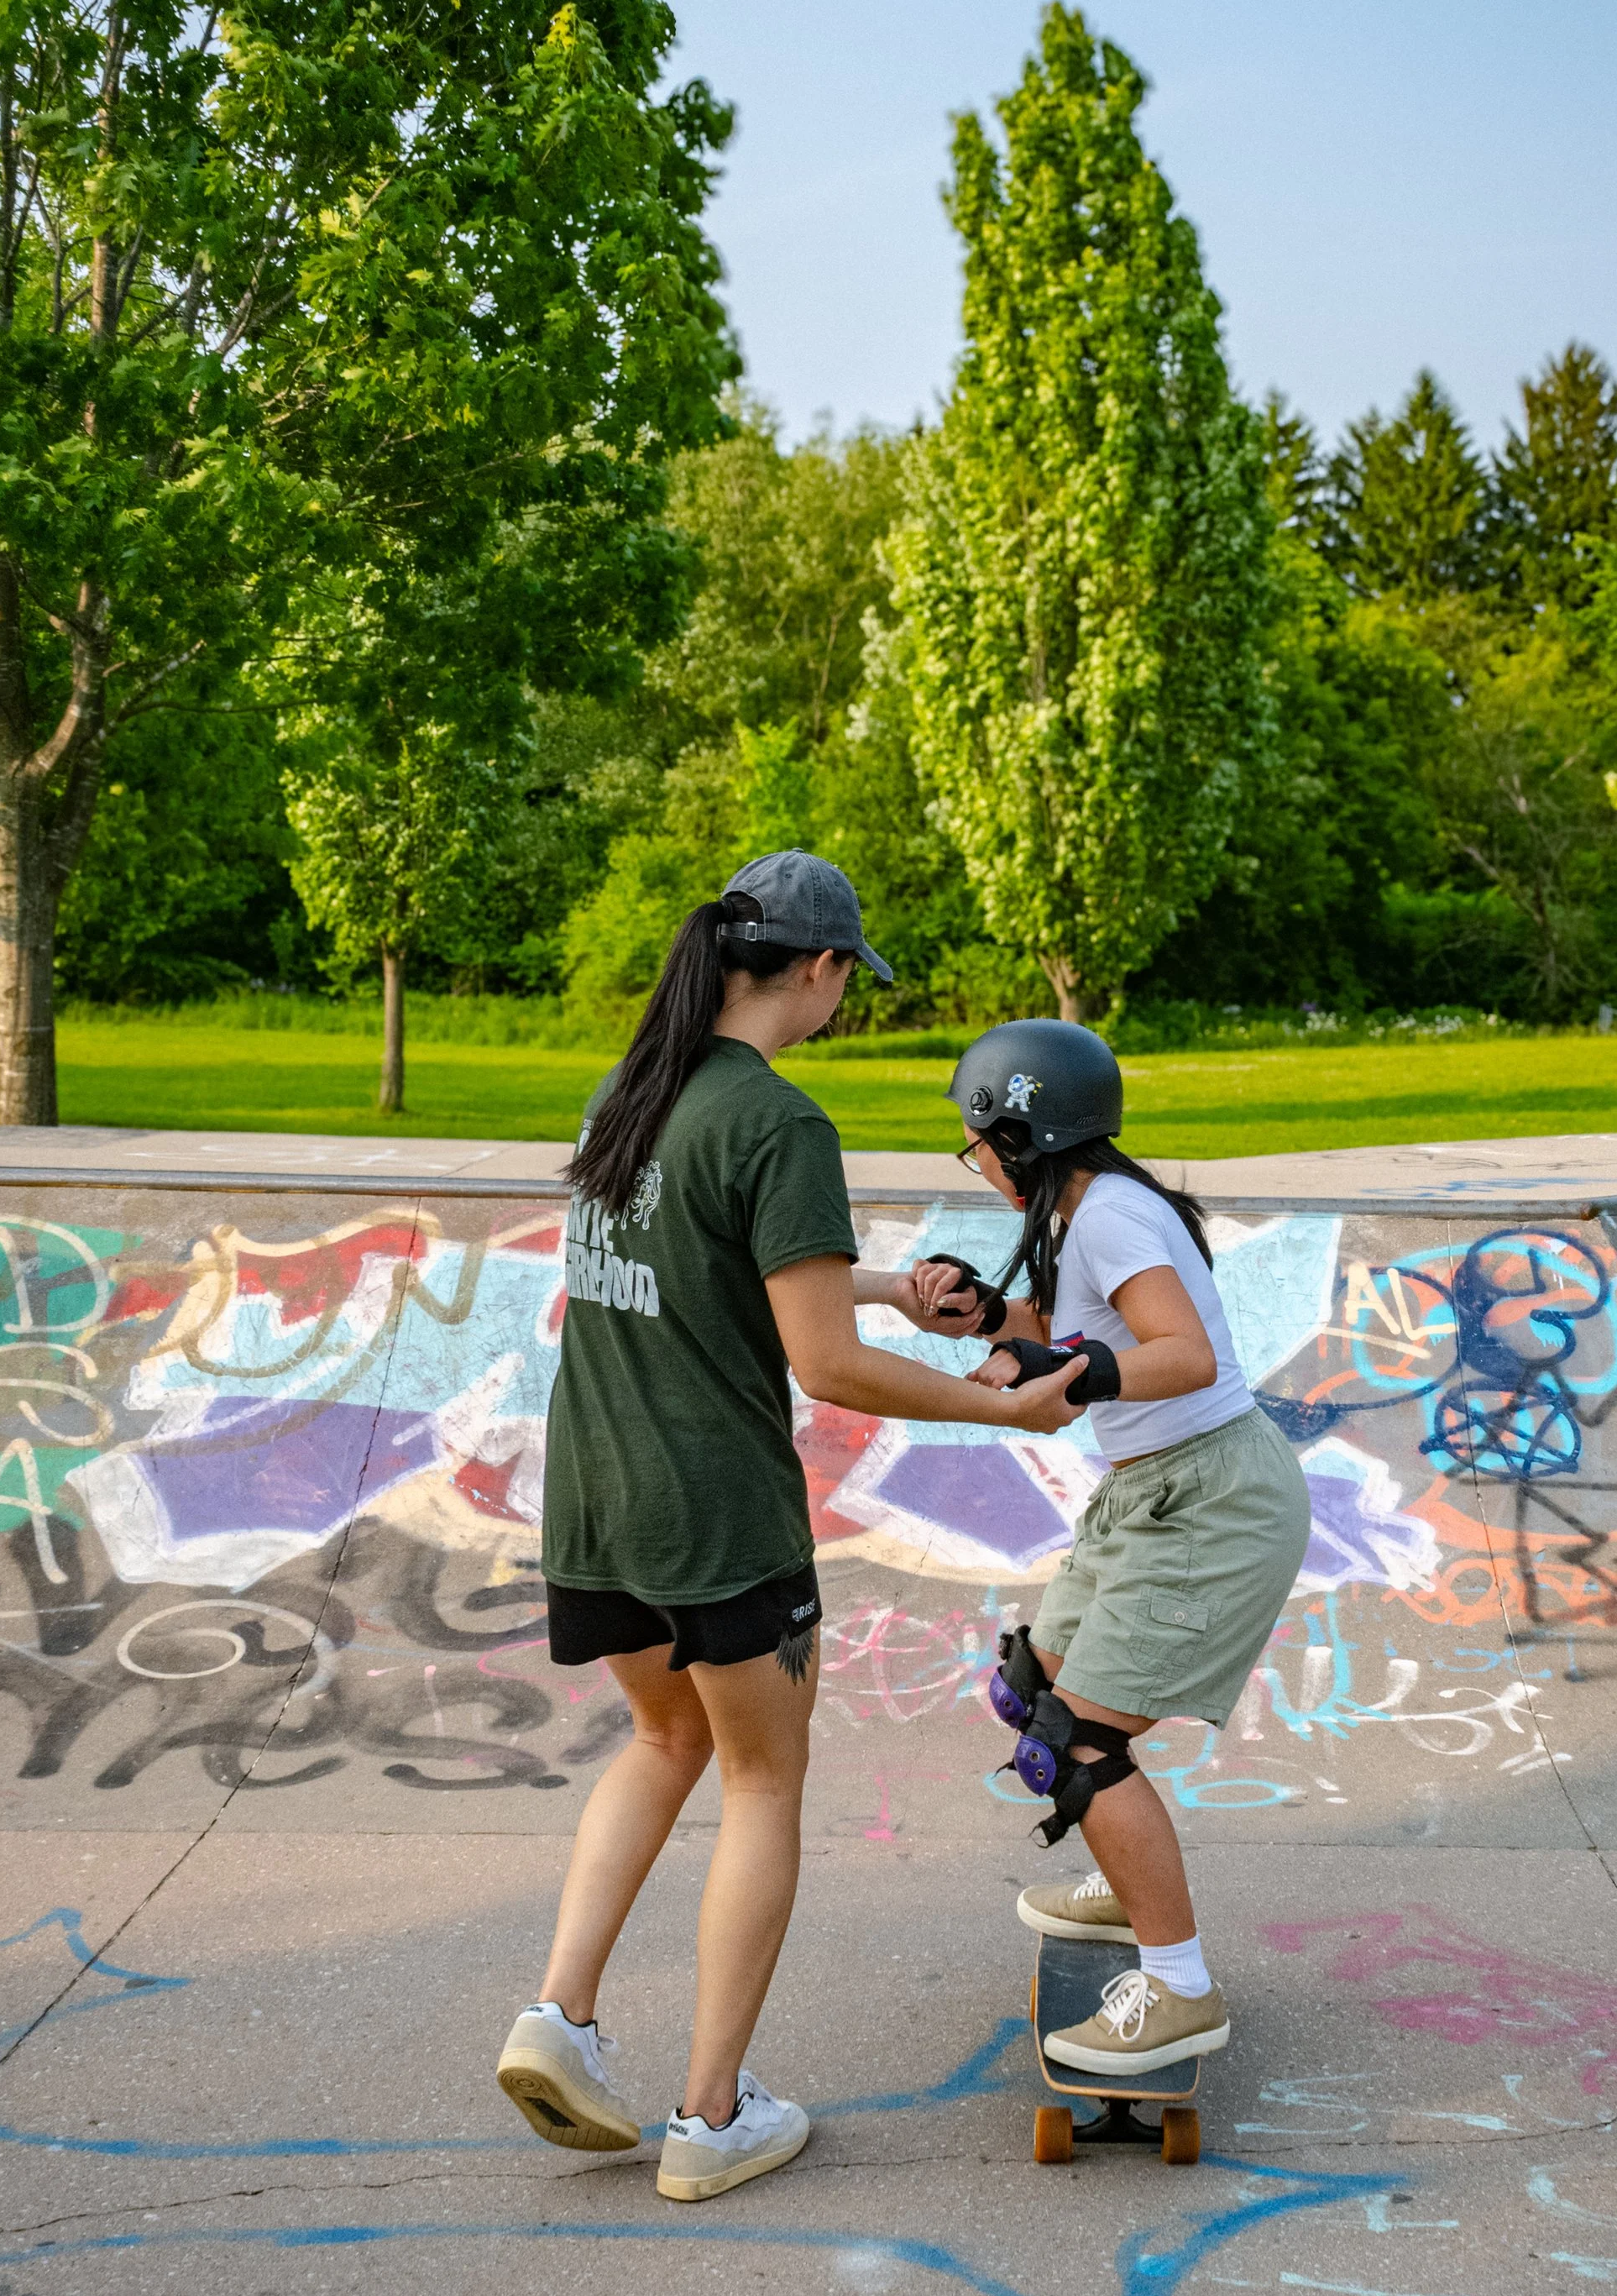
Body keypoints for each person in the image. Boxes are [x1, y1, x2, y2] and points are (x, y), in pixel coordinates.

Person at [495, 853, 1083, 2202]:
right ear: (818, 972)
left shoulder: (632, 1090)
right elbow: (825, 1369)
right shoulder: (779, 1122)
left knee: (662, 1737)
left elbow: (717, 1267)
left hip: (597, 1497)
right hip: (716, 1514)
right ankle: (711, 2118)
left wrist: (889, 1284)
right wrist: (1008, 1409)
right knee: (761, 1781)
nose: (841, 1001)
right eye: (844, 981)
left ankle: (560, 2018)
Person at [945, 1017, 1313, 2082]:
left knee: (1080, 1744)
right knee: (1038, 1691)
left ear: (1021, 1135)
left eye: (979, 1144)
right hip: (1154, 1488)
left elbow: (1181, 1356)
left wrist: (1073, 1377)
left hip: (1210, 1499)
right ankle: (1125, 1882)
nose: (976, 1165)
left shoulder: (1106, 1215)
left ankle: (1181, 1985)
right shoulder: (1088, 1207)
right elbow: (1077, 1322)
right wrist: (981, 1317)